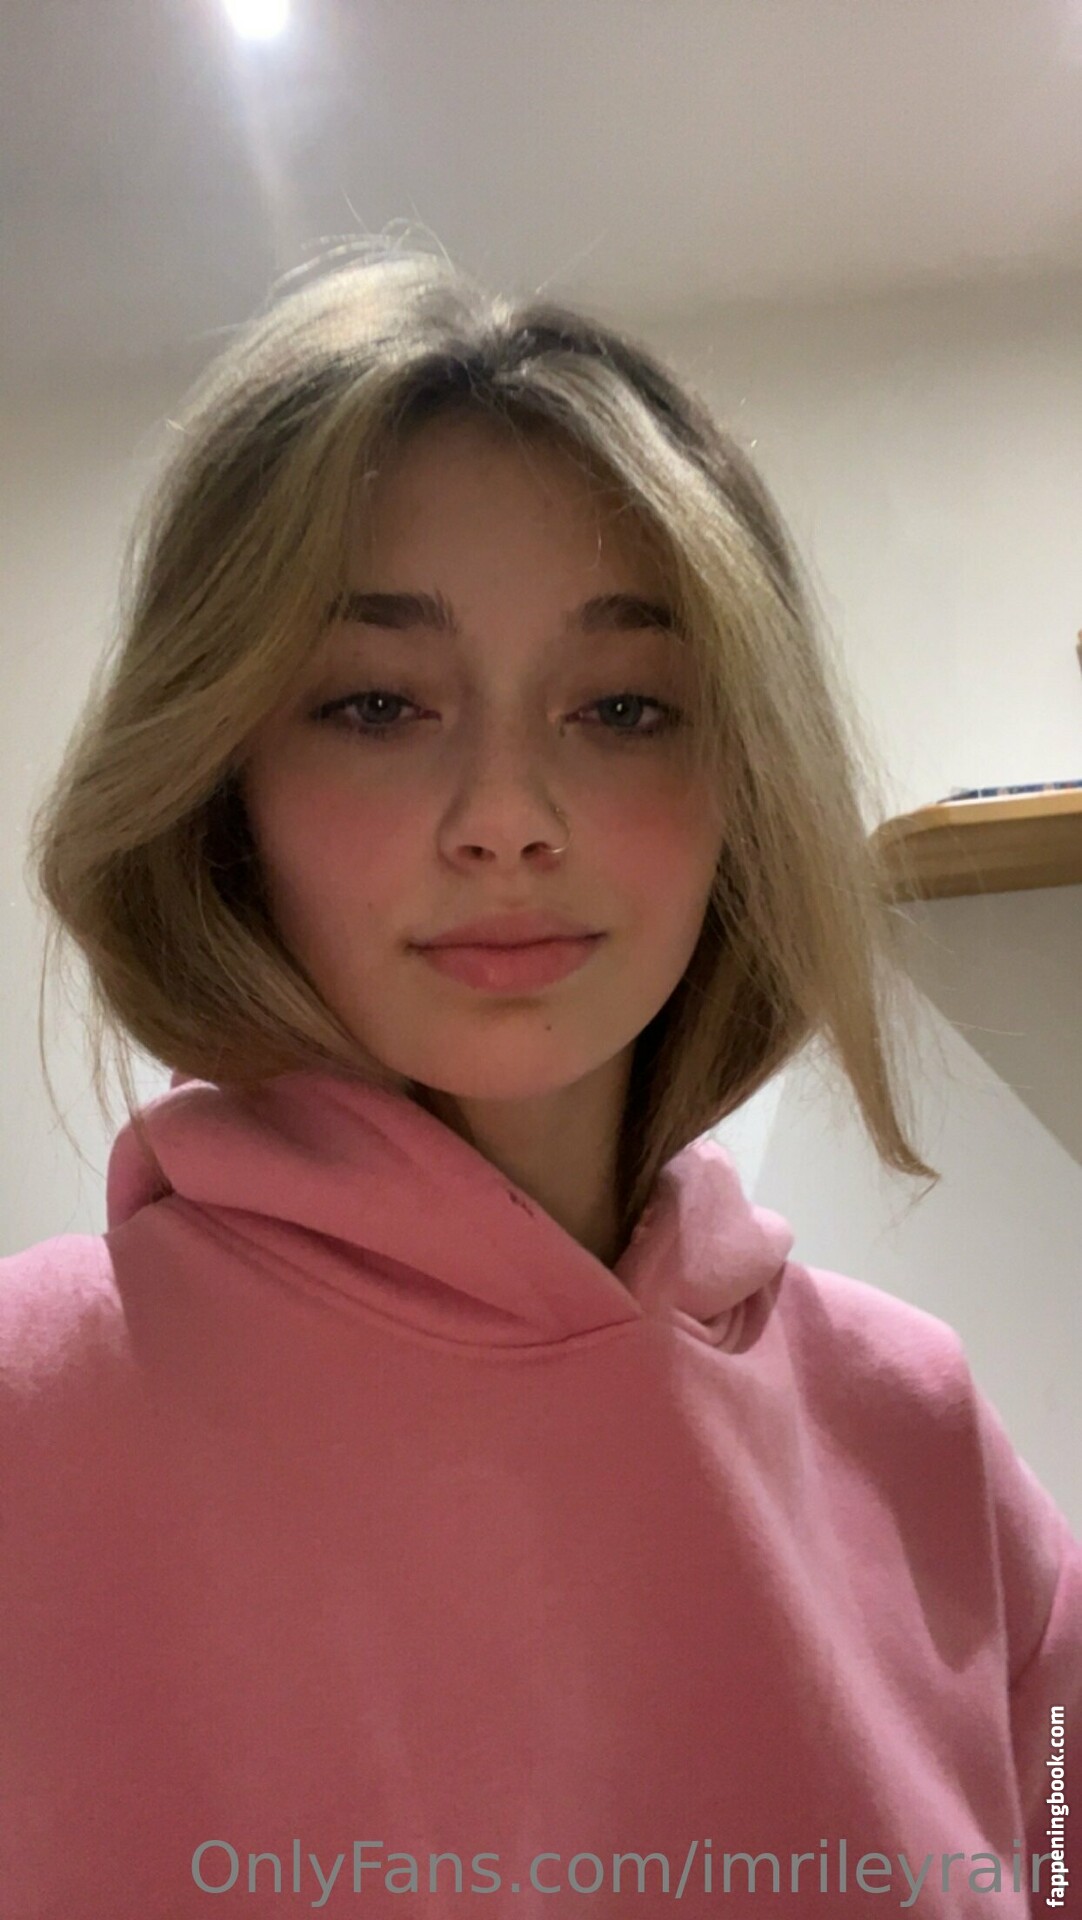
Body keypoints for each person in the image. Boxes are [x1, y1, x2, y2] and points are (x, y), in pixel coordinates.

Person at [1, 240, 1078, 1919]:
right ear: (222, 783)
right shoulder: (31, 1421)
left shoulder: (916, 1431)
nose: (506, 815)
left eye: (624, 708)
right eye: (376, 703)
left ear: (742, 780)